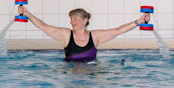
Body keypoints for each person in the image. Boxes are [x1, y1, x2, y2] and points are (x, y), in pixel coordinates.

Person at [18, 6, 151, 62]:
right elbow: (44, 26)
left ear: (85, 20)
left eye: (75, 18)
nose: (72, 21)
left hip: (92, 71)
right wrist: (27, 13)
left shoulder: (95, 36)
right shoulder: (66, 35)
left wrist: (139, 21)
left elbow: (117, 30)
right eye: (71, 18)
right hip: (70, 73)